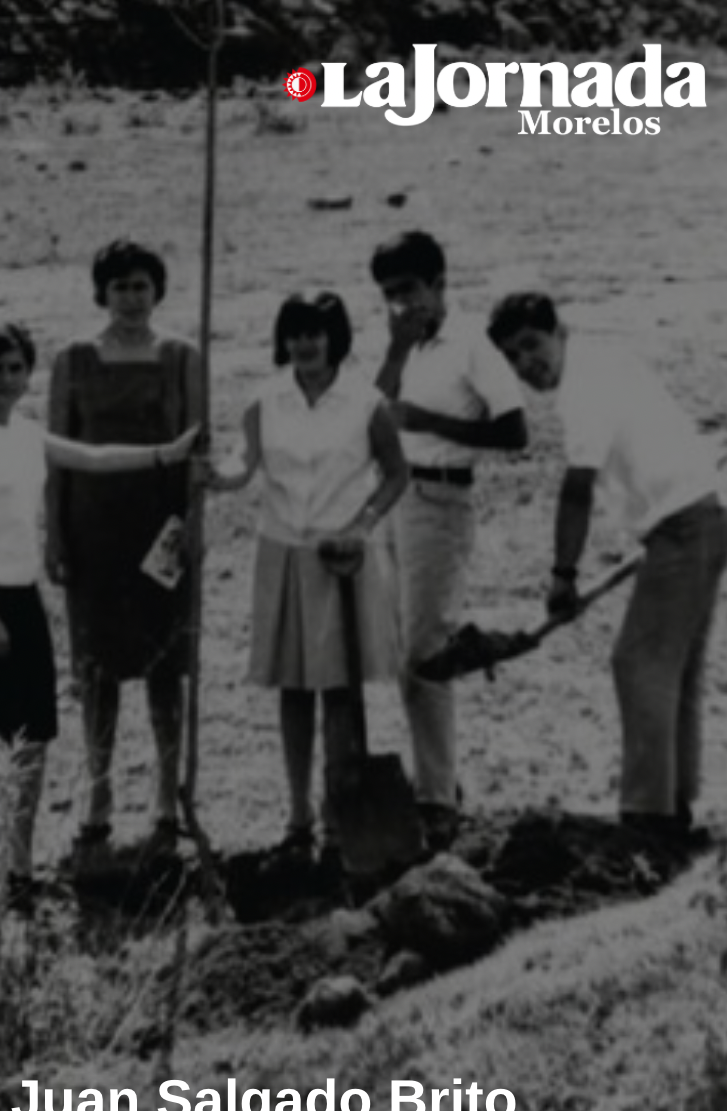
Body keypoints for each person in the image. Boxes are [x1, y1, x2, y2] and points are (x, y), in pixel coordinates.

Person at [0, 322, 197, 902]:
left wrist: (166, 453)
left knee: (32, 736)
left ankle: (19, 867)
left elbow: (94, 457)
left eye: (15, 368)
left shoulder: (27, 432)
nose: (5, 380)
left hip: (21, 594)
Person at [488, 292, 727, 838]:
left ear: (560, 331)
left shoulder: (583, 388)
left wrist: (563, 575)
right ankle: (673, 805)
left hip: (685, 524)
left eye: (532, 344)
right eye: (512, 356)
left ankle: (647, 818)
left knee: (638, 663)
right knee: (673, 667)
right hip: (701, 513)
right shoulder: (602, 360)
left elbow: (577, 489)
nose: (526, 363)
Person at [207, 293, 409, 861]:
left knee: (340, 691)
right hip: (284, 552)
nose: (304, 345)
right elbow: (243, 464)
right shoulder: (264, 400)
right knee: (294, 689)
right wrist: (215, 475)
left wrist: (362, 527)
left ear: (334, 337)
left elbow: (396, 475)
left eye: (315, 333)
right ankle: (298, 812)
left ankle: (341, 816)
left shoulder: (366, 402)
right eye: (294, 334)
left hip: (341, 556)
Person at [45, 240, 205, 855]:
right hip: (94, 527)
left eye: (141, 286)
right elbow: (57, 454)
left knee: (166, 662)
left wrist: (194, 522)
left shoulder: (183, 356)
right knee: (97, 665)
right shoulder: (73, 359)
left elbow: (199, 450)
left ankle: (166, 791)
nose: (132, 299)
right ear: (101, 293)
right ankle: (99, 788)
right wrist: (55, 532)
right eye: (120, 288)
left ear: (157, 290)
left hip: (160, 527)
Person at [370, 231, 529, 847]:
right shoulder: (404, 343)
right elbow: (374, 410)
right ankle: (436, 784)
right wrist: (394, 349)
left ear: (439, 283)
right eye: (389, 294)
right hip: (395, 497)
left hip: (441, 498)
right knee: (404, 654)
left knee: (425, 655)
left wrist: (430, 422)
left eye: (409, 289)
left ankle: (437, 798)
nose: (401, 303)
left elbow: (515, 432)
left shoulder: (471, 345)